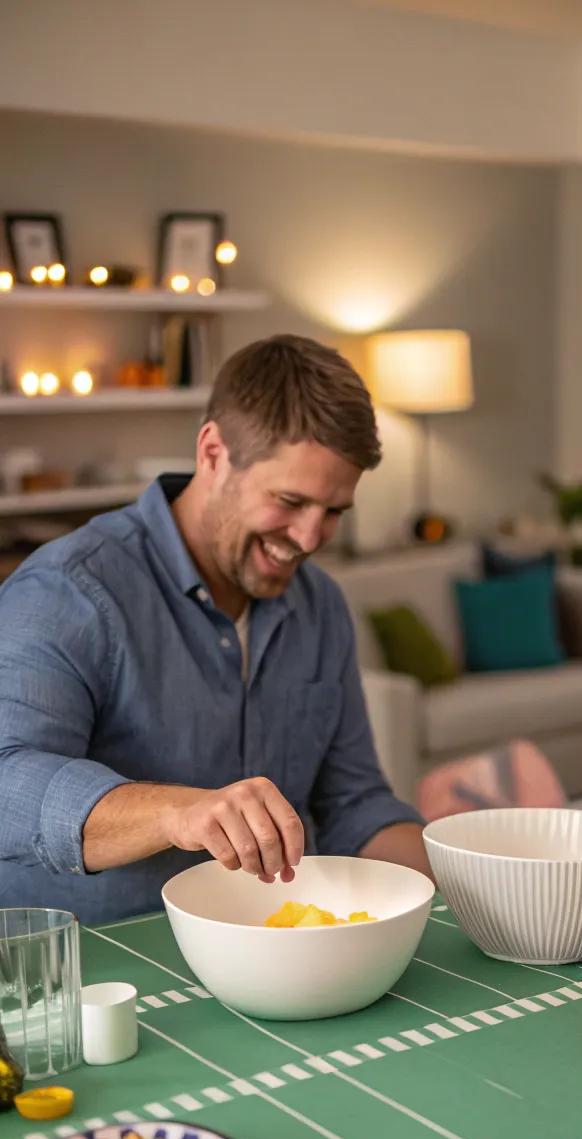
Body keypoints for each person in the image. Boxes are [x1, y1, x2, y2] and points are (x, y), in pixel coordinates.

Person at [0, 334, 429, 925]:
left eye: (333, 511)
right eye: (290, 500)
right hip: (106, 958)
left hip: (278, 948)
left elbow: (353, 802)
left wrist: (467, 877)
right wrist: (176, 813)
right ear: (212, 452)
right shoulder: (69, 590)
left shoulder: (320, 604)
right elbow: (7, 782)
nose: (309, 538)